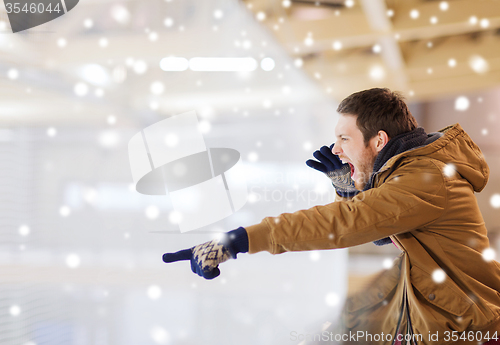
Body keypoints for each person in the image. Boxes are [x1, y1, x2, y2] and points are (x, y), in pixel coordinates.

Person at [163, 88, 500, 344]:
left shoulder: (425, 179)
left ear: (379, 140)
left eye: (344, 138)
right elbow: (381, 230)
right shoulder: (413, 171)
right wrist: (350, 188)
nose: (336, 149)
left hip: (470, 328)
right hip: (450, 322)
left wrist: (238, 240)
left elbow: (344, 223)